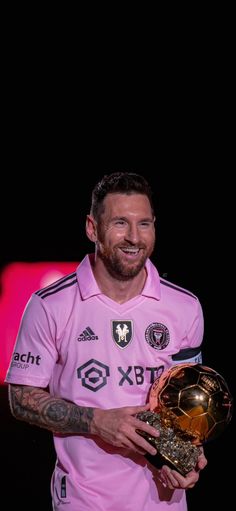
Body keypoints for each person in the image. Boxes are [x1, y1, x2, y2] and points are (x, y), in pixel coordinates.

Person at [5, 172, 207, 511]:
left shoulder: (185, 306)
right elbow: (20, 398)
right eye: (119, 223)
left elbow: (187, 407)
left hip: (163, 502)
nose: (133, 237)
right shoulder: (49, 304)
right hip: (84, 500)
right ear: (91, 228)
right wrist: (98, 422)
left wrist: (190, 456)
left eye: (144, 224)